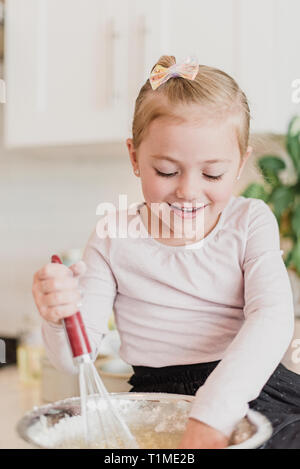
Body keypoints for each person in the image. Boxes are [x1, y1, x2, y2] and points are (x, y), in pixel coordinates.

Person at [32, 55, 300, 449]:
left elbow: (273, 318)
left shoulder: (250, 221)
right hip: (155, 399)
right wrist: (59, 318)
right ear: (135, 157)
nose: (188, 191)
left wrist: (213, 414)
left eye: (212, 174)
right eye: (167, 171)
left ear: (240, 165)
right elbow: (77, 359)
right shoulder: (113, 235)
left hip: (249, 386)